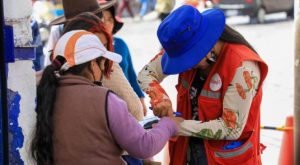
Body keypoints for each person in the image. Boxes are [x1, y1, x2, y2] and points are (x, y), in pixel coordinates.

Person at [137, 5, 268, 165]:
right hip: (189, 153)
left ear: (204, 44)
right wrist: (159, 97)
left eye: (188, 59)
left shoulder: (243, 68)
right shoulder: (181, 44)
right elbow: (146, 73)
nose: (185, 66)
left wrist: (177, 126)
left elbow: (230, 128)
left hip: (227, 159)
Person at [30, 29, 183, 165]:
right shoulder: (105, 99)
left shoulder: (45, 95)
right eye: (102, 64)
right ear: (92, 65)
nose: (103, 70)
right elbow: (144, 146)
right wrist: (169, 124)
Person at [42, 0, 145, 121]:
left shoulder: (60, 59)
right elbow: (135, 111)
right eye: (101, 20)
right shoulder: (100, 61)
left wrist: (140, 96)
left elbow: (131, 75)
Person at [101, 1, 148, 115]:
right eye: (101, 19)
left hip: (128, 103)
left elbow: (131, 72)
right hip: (106, 109)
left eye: (110, 19)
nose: (106, 23)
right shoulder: (91, 51)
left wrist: (140, 99)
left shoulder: (121, 44)